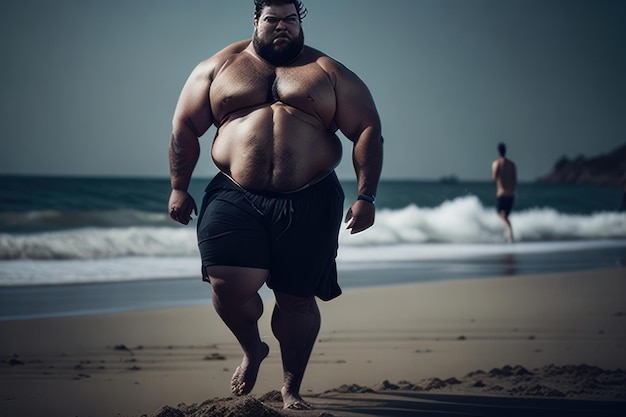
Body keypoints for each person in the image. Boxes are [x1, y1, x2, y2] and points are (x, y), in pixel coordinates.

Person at [167, 0, 383, 410]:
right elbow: (185, 125)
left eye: (289, 19)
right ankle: (252, 349)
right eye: (272, 19)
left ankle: (290, 387)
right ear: (256, 21)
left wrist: (366, 195)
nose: (281, 27)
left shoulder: (327, 72)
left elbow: (368, 127)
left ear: (299, 21)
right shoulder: (217, 68)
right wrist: (179, 186)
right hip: (234, 193)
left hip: (311, 197)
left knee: (296, 300)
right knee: (227, 288)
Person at [491, 142, 517, 243]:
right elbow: (514, 180)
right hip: (510, 194)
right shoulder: (512, 164)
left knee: (501, 215)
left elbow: (494, 177)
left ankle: (509, 234)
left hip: (501, 193)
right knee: (504, 215)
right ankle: (507, 234)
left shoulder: (497, 163)